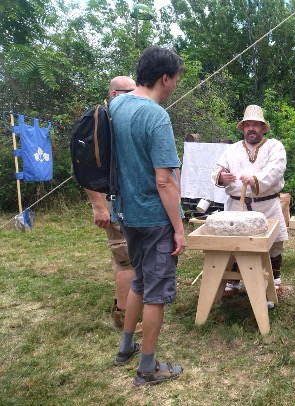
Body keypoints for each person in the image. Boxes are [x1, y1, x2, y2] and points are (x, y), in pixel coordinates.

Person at [109, 46, 187, 386]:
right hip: (154, 217)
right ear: (165, 78)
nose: (174, 87)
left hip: (126, 213)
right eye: (175, 81)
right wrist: (180, 228)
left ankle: (125, 347)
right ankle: (147, 368)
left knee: (140, 280)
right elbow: (164, 179)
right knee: (156, 291)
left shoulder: (117, 105)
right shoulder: (155, 115)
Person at [211, 105, 288, 297]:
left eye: (255, 125)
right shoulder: (232, 150)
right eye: (247, 125)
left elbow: (276, 169)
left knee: (274, 243)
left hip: (267, 205)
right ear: (243, 127)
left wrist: (255, 180)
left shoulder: (275, 147)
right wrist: (221, 176)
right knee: (235, 243)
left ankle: (275, 280)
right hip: (236, 207)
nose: (251, 128)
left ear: (263, 128)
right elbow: (217, 169)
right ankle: (233, 281)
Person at [84, 76, 141, 332]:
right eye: (131, 92)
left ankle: (125, 304)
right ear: (116, 94)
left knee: (122, 257)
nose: (137, 95)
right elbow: (86, 166)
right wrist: (98, 205)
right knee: (125, 258)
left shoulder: (118, 119)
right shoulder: (103, 122)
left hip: (124, 200)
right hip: (113, 202)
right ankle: (125, 315)